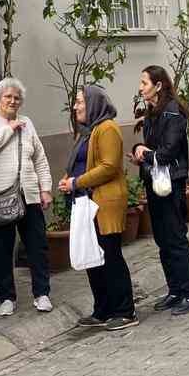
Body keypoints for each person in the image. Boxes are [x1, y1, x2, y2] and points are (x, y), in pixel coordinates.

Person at [0, 77, 54, 316]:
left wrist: (45, 188)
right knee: (1, 250)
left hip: (28, 195)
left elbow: (39, 157)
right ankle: (7, 297)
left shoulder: (27, 122)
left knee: (37, 247)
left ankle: (42, 294)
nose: (12, 101)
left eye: (17, 98)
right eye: (8, 96)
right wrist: (8, 129)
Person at [59, 86, 136, 331]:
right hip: (86, 202)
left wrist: (76, 182)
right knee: (94, 256)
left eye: (80, 102)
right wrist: (68, 179)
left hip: (104, 202)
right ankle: (102, 309)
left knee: (110, 256)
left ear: (93, 104)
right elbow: (81, 163)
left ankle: (124, 311)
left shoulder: (107, 128)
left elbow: (109, 166)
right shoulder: (87, 132)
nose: (75, 106)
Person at [131, 66, 189, 315]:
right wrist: (141, 151)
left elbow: (168, 150)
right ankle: (174, 290)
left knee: (176, 237)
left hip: (172, 180)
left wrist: (145, 153)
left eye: (144, 82)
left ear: (158, 86)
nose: (141, 87)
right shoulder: (152, 113)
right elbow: (152, 146)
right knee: (162, 238)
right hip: (155, 180)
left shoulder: (173, 111)